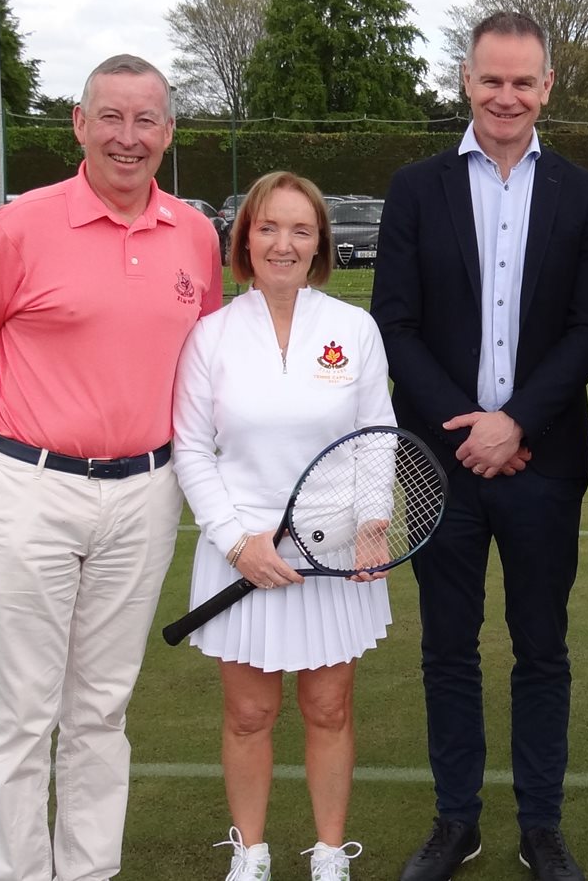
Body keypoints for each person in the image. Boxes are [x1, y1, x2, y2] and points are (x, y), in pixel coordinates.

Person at [0, 54, 224, 881]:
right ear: (79, 124)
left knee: (100, 709)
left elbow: (207, 363)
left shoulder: (195, 234)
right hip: (31, 493)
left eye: (146, 120)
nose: (128, 137)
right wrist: (23, 437)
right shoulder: (22, 225)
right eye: (112, 117)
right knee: (23, 713)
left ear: (168, 132)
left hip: (146, 494)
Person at [371, 11, 588, 881]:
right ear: (466, 81)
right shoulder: (415, 188)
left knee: (542, 647)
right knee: (448, 647)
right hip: (442, 462)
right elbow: (395, 322)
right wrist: (471, 425)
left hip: (543, 462)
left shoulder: (582, 193)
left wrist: (517, 423)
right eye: (491, 79)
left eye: (522, 81)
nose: (506, 96)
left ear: (547, 86)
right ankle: (456, 820)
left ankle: (540, 825)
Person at [173, 170, 391, 881]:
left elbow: (376, 435)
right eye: (268, 227)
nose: (283, 244)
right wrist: (237, 542)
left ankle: (329, 854)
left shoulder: (354, 329)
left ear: (320, 242)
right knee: (248, 715)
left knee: (329, 709)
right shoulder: (211, 335)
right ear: (245, 240)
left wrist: (373, 522)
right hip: (241, 553)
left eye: (301, 229)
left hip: (335, 554)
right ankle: (251, 854)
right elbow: (191, 449)